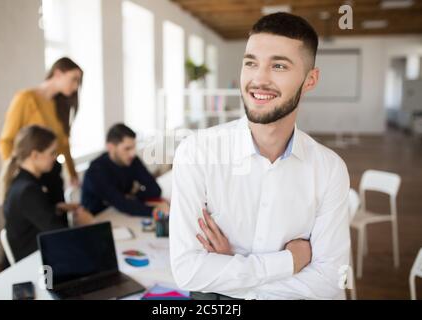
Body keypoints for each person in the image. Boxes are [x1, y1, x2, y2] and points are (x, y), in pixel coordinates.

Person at [170, 12, 351, 300]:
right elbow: (188, 271)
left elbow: (329, 283)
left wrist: (230, 268)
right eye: (251, 63)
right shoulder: (197, 153)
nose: (258, 79)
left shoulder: (329, 169)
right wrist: (290, 262)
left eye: (278, 65)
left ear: (310, 79)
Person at [0, 125, 94, 262]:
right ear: (35, 155)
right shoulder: (28, 191)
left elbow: (33, 216)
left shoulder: (24, 181)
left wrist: (57, 208)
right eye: (52, 153)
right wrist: (88, 224)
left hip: (38, 252)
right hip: (33, 261)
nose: (55, 158)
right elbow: (62, 236)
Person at [0, 57, 83, 204]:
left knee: (58, 220)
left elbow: (63, 144)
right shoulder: (25, 99)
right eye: (74, 79)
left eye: (78, 82)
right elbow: (6, 141)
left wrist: (72, 172)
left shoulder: (59, 105)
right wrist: (17, 173)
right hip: (31, 175)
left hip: (53, 171)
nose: (76, 86)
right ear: (57, 74)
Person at [81, 123, 169, 217]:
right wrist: (155, 211)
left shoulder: (132, 160)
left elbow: (155, 189)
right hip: (96, 219)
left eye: (133, 147)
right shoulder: (96, 171)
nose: (132, 153)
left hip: (119, 214)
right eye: (127, 148)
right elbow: (122, 203)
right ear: (110, 147)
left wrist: (132, 197)